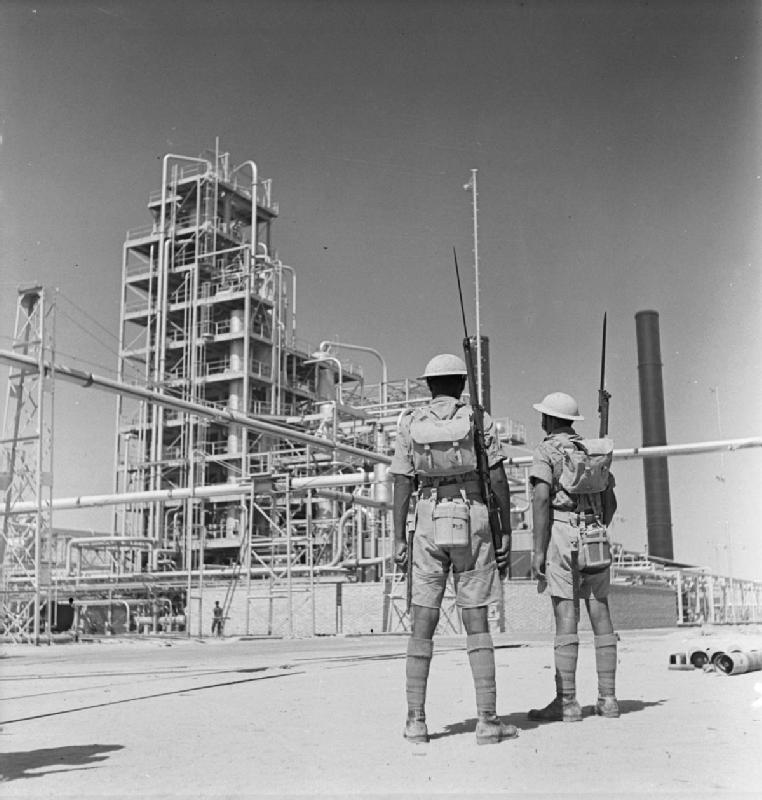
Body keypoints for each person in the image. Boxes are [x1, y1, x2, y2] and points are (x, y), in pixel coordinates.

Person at [391, 353, 516, 745]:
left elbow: (401, 482)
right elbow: (497, 478)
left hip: (427, 517)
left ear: (429, 385)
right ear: (461, 383)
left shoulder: (410, 422)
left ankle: (416, 721)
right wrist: (504, 529)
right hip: (472, 515)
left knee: (423, 620)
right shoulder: (478, 419)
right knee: (476, 619)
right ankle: (487, 721)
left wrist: (398, 536)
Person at [528, 392, 619, 722]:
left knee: (566, 614)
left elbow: (541, 499)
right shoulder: (593, 450)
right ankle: (608, 699)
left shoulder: (546, 450)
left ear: (550, 419)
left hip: (562, 533)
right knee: (600, 611)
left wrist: (539, 550)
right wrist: (594, 524)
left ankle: (566, 702)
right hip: (595, 533)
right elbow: (611, 503)